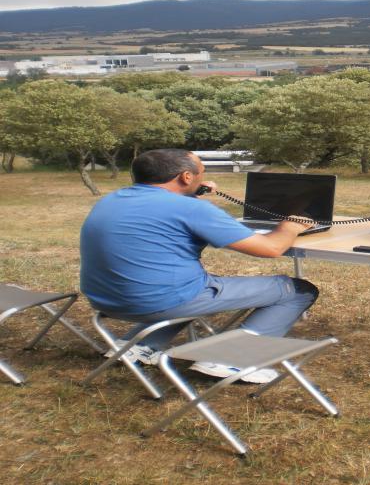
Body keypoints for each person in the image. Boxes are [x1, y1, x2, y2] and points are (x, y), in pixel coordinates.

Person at [80, 148, 316, 383]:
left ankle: (138, 345)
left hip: (106, 300)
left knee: (185, 287)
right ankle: (232, 360)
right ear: (186, 177)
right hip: (160, 302)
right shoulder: (191, 209)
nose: (204, 178)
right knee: (298, 290)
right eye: (201, 173)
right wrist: (290, 226)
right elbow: (271, 248)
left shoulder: (111, 200)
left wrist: (191, 194)